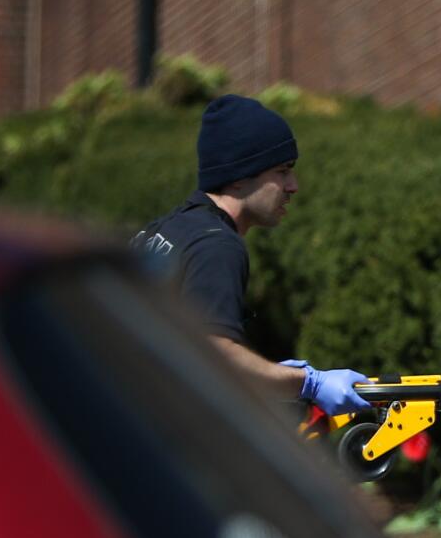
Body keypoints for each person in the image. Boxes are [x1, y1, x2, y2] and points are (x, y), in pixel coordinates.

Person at [131, 94, 372, 415]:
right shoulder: (217, 245)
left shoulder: (170, 228)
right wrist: (307, 382)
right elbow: (217, 356)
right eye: (283, 171)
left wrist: (269, 374)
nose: (293, 186)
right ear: (241, 175)